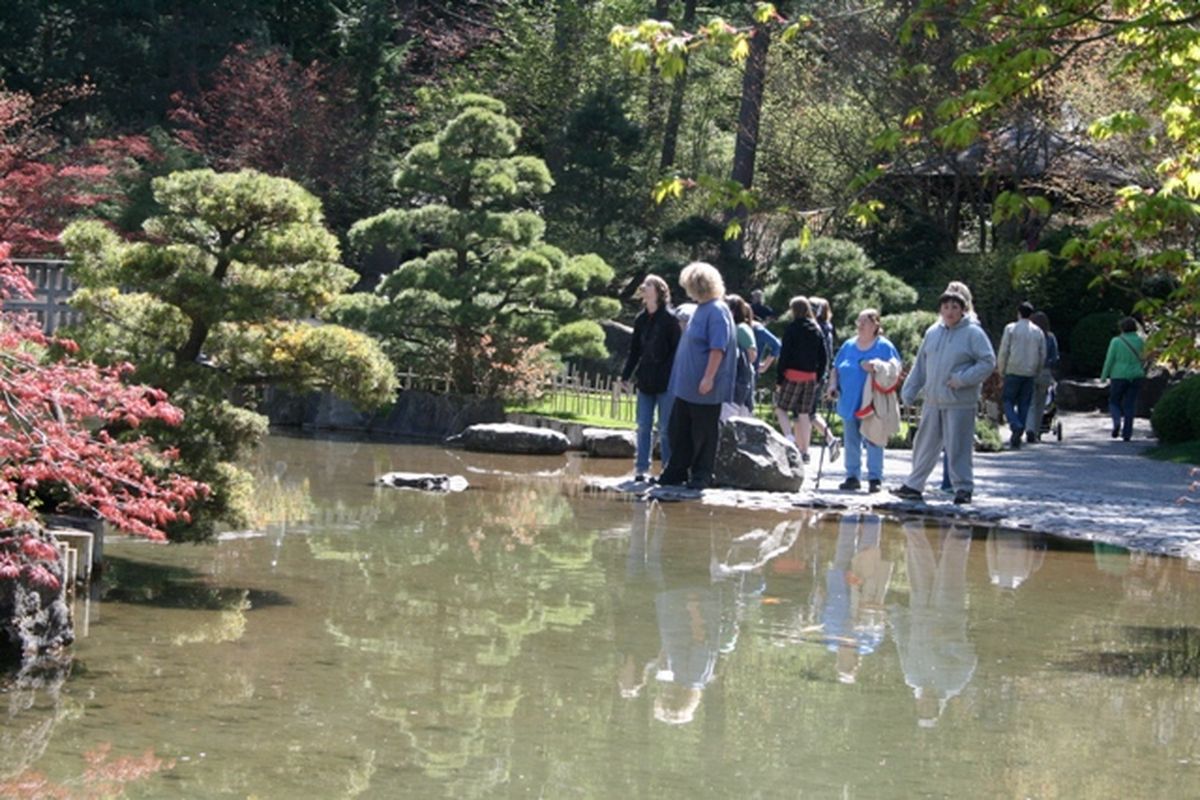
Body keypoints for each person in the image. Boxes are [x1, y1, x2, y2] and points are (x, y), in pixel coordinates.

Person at [893, 289, 996, 505]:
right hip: (933, 400)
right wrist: (909, 390)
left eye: (955, 307)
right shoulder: (933, 332)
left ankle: (963, 488)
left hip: (960, 402)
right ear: (940, 309)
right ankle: (914, 485)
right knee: (924, 444)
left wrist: (962, 379)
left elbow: (988, 362)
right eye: (946, 307)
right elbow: (921, 364)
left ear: (963, 310)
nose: (950, 311)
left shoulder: (974, 334)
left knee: (958, 446)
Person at [660, 262, 737, 489]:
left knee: (703, 433)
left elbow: (718, 347)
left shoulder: (716, 310)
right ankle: (677, 471)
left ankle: (702, 474)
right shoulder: (701, 309)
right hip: (686, 387)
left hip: (704, 387)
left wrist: (708, 377)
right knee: (678, 429)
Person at [827, 309, 901, 492]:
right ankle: (852, 476)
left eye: (864, 322)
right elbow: (835, 368)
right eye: (858, 322)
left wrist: (877, 366)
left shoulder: (884, 346)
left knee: (874, 437)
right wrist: (832, 386)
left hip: (872, 402)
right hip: (849, 400)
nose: (860, 326)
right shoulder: (848, 345)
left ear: (876, 324)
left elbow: (895, 369)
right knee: (851, 440)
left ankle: (875, 478)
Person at [621, 275, 681, 482]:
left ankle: (667, 468)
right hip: (645, 380)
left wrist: (670, 375)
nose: (643, 288)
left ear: (658, 291)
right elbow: (634, 351)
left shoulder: (671, 320)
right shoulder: (640, 319)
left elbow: (676, 352)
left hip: (665, 381)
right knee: (643, 425)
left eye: (648, 285)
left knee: (664, 428)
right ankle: (641, 469)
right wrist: (626, 375)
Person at [774, 296, 828, 464]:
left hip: (792, 375)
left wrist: (779, 378)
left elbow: (784, 355)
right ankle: (805, 451)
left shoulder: (792, 328)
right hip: (811, 377)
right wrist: (818, 376)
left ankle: (789, 439)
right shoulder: (816, 329)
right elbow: (824, 356)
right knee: (805, 413)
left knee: (781, 408)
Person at [996, 301, 1046, 449]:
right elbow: (1042, 354)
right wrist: (1037, 370)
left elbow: (1004, 350)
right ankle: (1020, 428)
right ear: (1031, 315)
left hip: (1013, 369)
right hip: (1029, 372)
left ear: (1018, 313)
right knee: (1025, 402)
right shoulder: (1038, 332)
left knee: (1007, 400)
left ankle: (1015, 424)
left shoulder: (1011, 328)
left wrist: (1001, 369)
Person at [1100, 316, 1146, 441]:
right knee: (1130, 405)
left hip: (1118, 375)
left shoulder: (1116, 341)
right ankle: (1127, 433)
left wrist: (1104, 376)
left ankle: (1116, 422)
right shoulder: (1141, 341)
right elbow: (1145, 357)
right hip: (1136, 375)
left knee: (1114, 401)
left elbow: (1109, 360)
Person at [808, 296, 839, 461]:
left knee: (808, 412)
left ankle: (830, 439)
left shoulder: (818, 328)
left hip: (815, 374)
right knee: (808, 412)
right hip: (822, 373)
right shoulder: (828, 327)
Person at [1024, 311, 1059, 442]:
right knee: (1041, 403)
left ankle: (1029, 429)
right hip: (1044, 372)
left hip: (1030, 371)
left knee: (1030, 403)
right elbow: (1055, 357)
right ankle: (1037, 431)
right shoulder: (1050, 337)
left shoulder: (1030, 336)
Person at [726, 294, 757, 414]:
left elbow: (752, 354)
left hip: (742, 377)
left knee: (743, 412)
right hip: (734, 377)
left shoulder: (741, 329)